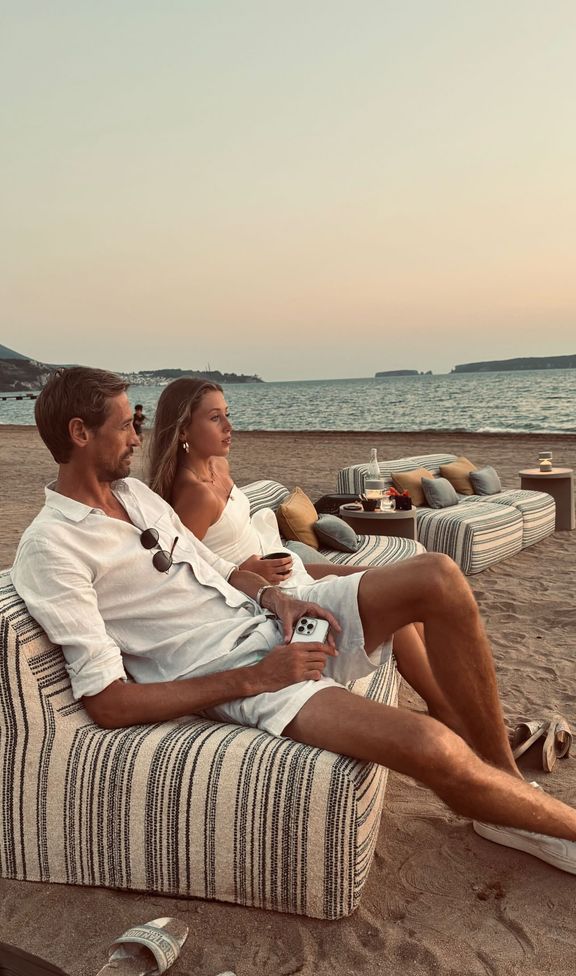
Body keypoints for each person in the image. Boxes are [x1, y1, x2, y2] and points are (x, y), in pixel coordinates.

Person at [11, 366, 576, 876]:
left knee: (438, 576)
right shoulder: (53, 547)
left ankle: (506, 790)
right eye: (123, 424)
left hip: (271, 624)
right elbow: (107, 702)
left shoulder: (135, 495)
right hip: (242, 669)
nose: (138, 435)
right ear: (80, 433)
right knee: (431, 745)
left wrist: (277, 599)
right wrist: (256, 678)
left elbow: (221, 568)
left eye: (137, 420)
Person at [147, 376, 438, 699]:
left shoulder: (219, 465)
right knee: (394, 605)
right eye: (215, 418)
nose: (229, 426)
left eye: (228, 413)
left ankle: (442, 696)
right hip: (261, 594)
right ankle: (445, 707)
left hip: (285, 567)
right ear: (183, 430)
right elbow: (185, 576)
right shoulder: (194, 495)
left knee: (394, 584)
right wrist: (248, 572)